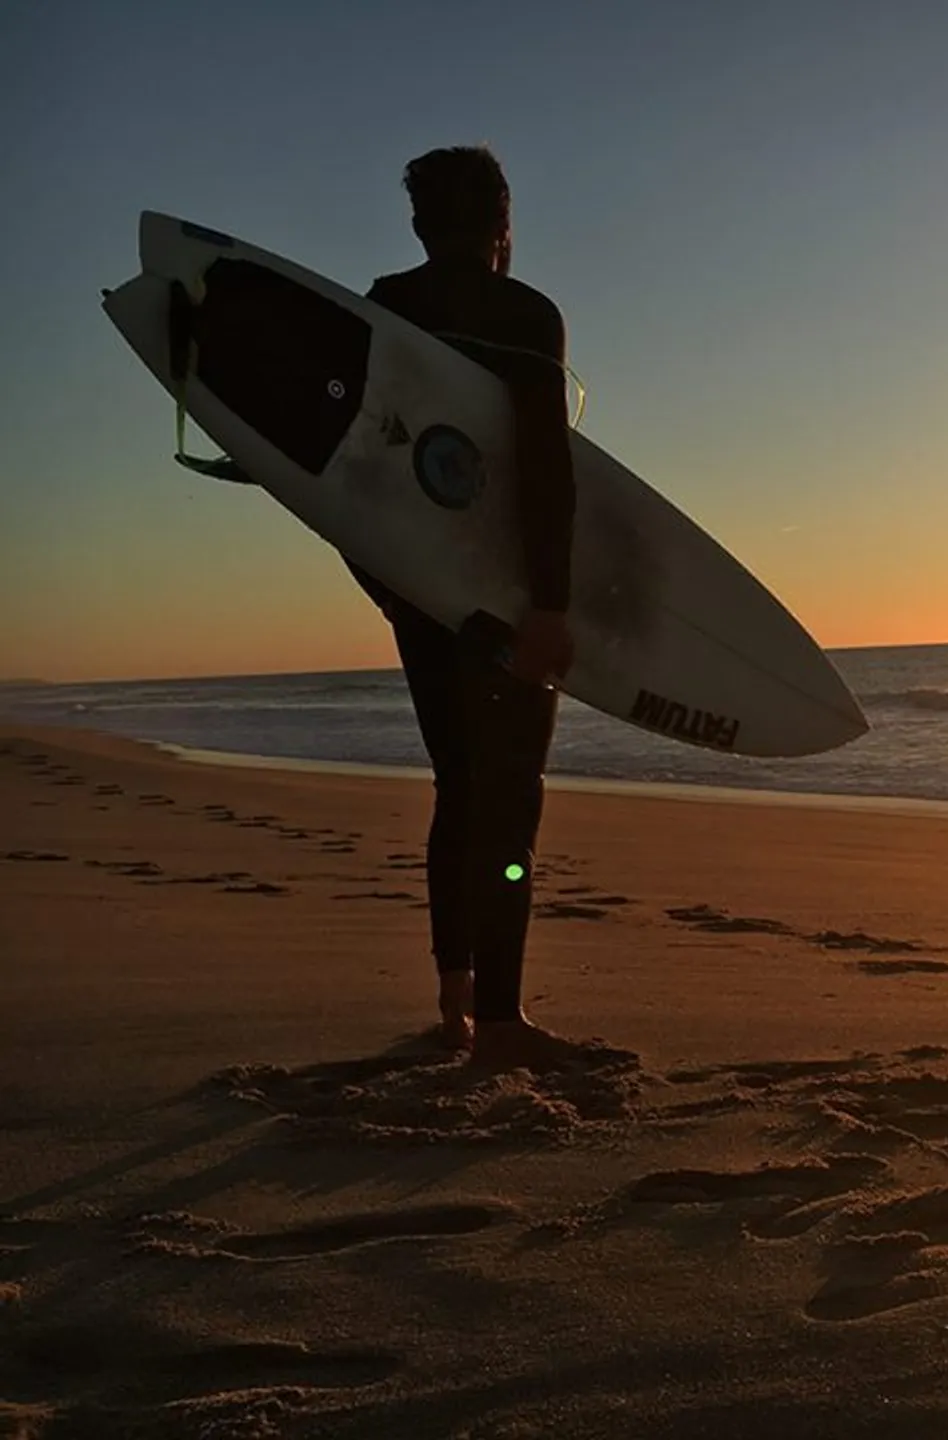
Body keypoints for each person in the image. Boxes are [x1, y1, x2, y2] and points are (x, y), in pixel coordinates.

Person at [348, 145, 579, 1067]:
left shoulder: (386, 305)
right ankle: (505, 1014)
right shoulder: (526, 315)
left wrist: (390, 584)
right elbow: (545, 469)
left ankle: (455, 1004)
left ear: (416, 225)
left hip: (419, 588)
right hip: (511, 590)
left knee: (457, 786)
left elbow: (360, 462)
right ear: (503, 222)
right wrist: (552, 606)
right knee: (511, 797)